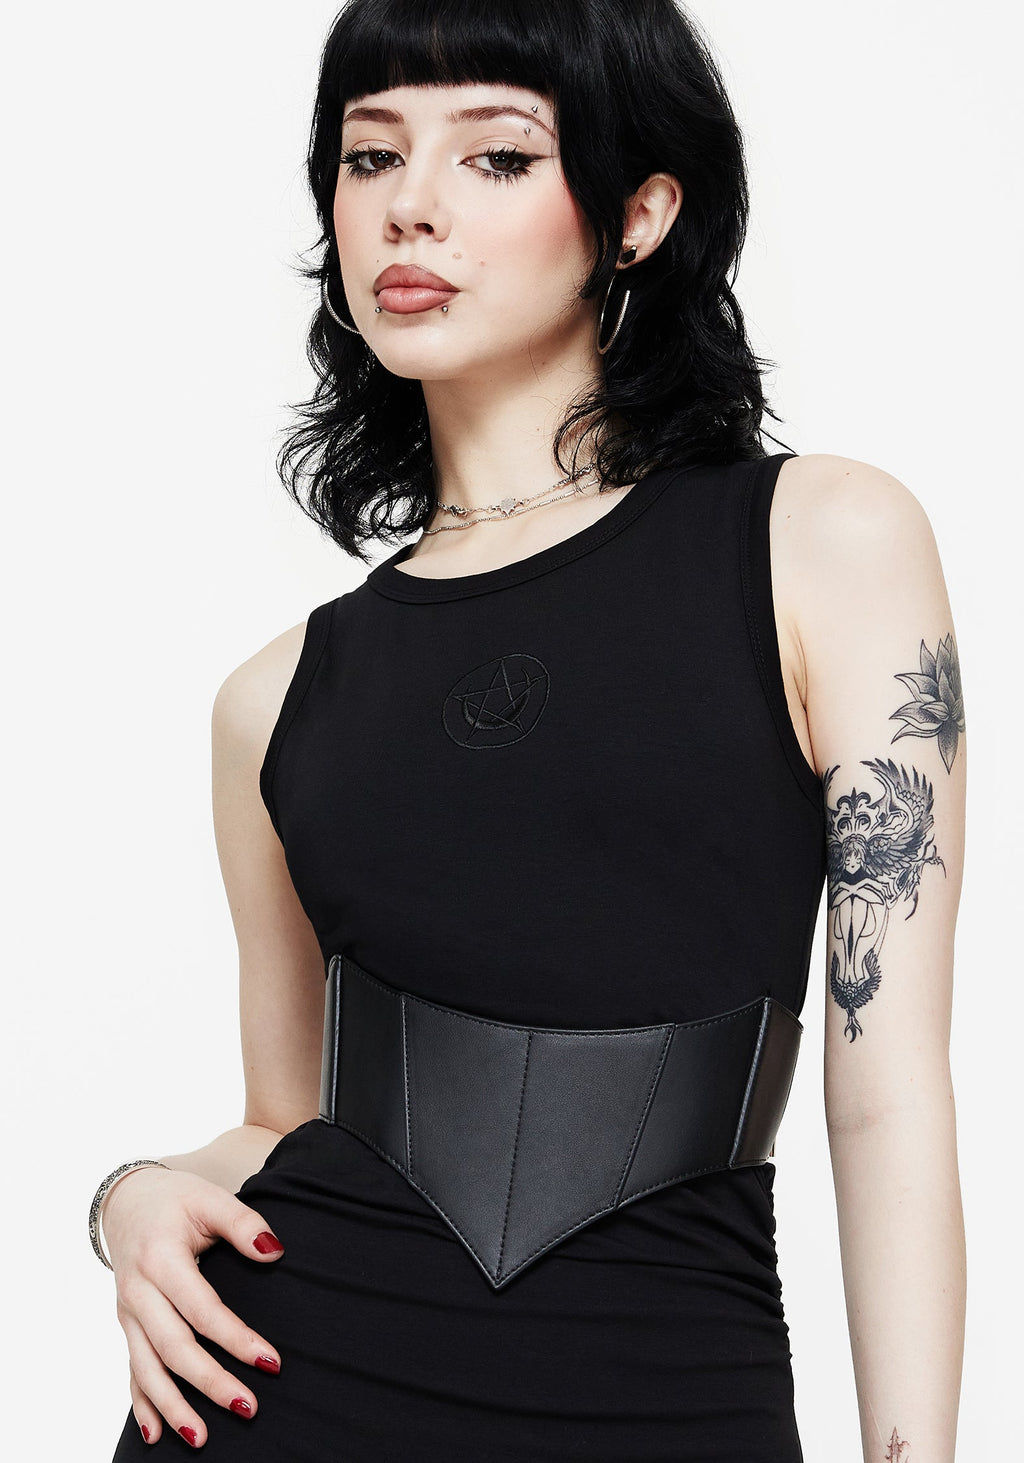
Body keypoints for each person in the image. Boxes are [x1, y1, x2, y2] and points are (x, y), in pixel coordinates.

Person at [96, 1, 967, 1458]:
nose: (411, 206)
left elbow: (888, 1099)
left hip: (664, 1389)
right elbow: (283, 1124)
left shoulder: (821, 540)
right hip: (286, 1397)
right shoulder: (274, 697)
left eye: (496, 156)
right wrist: (128, 1199)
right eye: (371, 155)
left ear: (639, 214)